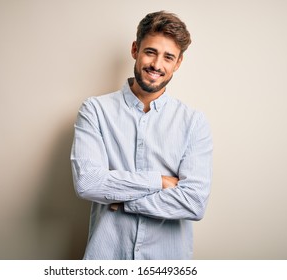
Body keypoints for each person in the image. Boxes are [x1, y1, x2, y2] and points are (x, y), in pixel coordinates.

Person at [70, 11, 213, 260]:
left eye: (168, 57)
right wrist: (160, 181)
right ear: (135, 49)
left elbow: (194, 202)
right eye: (151, 52)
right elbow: (88, 183)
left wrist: (123, 203)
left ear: (178, 63)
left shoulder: (193, 122)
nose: (157, 65)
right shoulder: (95, 110)